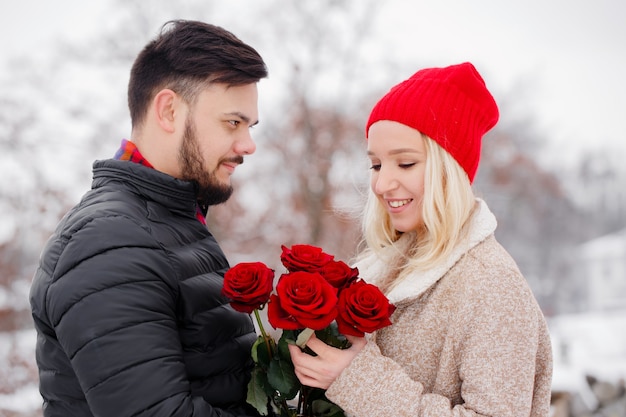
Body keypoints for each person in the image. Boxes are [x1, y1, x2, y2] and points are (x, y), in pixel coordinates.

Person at [29, 20, 268, 416]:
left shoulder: (166, 223)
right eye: (232, 122)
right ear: (169, 110)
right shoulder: (109, 242)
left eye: (250, 126)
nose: (248, 144)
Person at [288, 62, 553, 416]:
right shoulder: (380, 265)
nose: (381, 185)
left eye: (406, 164)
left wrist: (359, 381)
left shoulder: (490, 283)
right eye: (377, 165)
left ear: (450, 169)